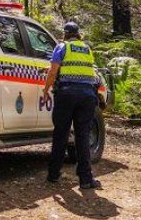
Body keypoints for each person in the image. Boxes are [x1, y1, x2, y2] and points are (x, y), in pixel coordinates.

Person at [42, 21, 101, 190]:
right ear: (78, 34)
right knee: (82, 137)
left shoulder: (62, 47)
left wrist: (46, 89)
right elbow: (79, 69)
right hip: (87, 97)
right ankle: (86, 180)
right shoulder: (87, 49)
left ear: (65, 34)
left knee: (61, 134)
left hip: (66, 95)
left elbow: (54, 71)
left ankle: (53, 175)